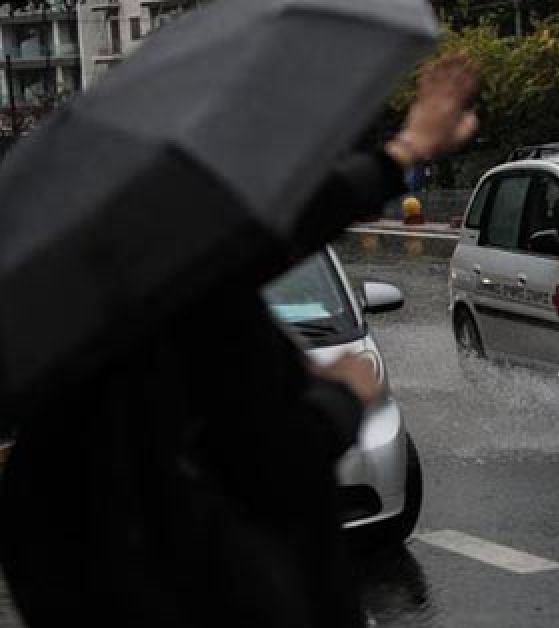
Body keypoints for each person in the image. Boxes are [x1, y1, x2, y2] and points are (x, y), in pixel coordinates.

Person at [0, 55, 478, 628]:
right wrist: (344, 396)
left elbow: (274, 231)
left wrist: (403, 152)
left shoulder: (64, 332)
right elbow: (274, 463)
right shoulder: (196, 318)